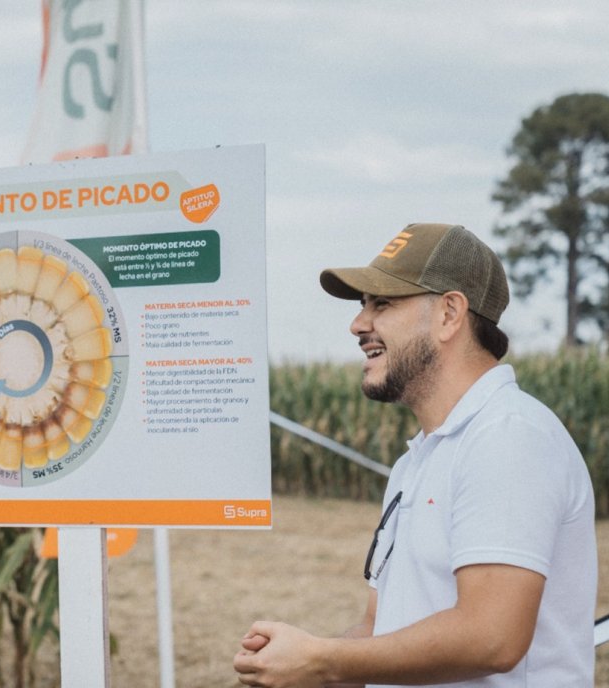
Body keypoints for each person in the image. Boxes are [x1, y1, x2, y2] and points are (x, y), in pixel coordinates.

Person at [234, 223, 597, 687]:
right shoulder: (419, 458)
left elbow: (493, 637)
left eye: (382, 303)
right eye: (362, 305)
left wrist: (323, 659)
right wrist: (297, 667)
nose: (358, 324)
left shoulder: (508, 436)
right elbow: (378, 627)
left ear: (449, 313)